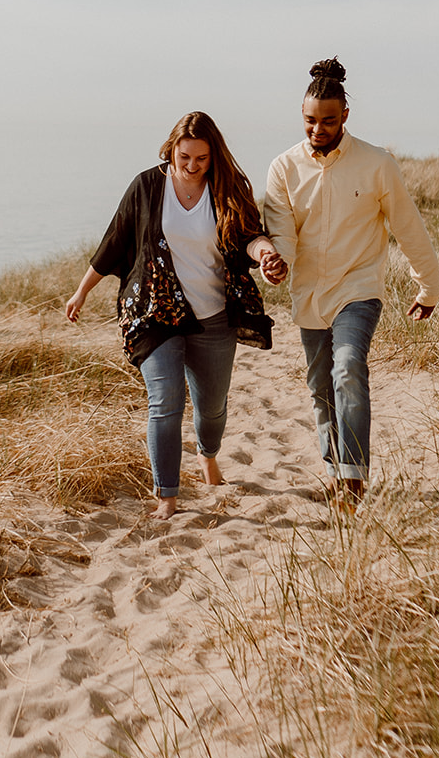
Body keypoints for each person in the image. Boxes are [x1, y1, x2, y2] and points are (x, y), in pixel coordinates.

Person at [66, 111, 287, 520]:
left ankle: (208, 454)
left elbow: (249, 237)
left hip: (213, 315)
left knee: (212, 406)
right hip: (156, 313)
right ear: (172, 150)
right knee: (166, 401)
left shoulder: (226, 188)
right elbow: (114, 240)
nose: (191, 167)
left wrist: (266, 252)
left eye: (201, 159)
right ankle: (166, 495)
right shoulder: (148, 185)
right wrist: (82, 292)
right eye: (185, 157)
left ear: (213, 156)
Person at [263, 58, 439, 505]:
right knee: (320, 386)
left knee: (347, 368)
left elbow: (409, 227)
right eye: (309, 121)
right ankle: (336, 472)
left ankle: (355, 481)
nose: (317, 130)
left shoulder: (378, 164)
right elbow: (282, 232)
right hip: (308, 294)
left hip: (359, 289)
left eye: (327, 120)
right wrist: (277, 262)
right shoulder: (283, 168)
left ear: (344, 116)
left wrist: (429, 288)